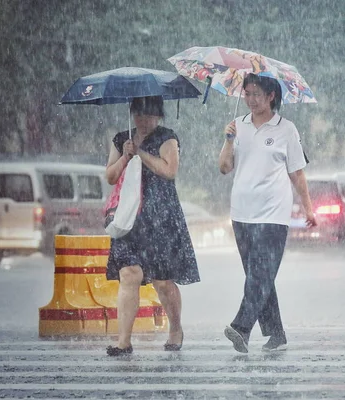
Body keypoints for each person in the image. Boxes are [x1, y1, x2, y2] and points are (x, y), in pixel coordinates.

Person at [218, 73, 316, 353]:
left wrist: (308, 207)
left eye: (256, 94)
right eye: (247, 94)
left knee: (260, 273)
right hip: (241, 213)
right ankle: (276, 334)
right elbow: (225, 168)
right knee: (258, 275)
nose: (250, 100)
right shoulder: (238, 126)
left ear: (271, 95)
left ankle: (241, 327)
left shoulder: (287, 129)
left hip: (273, 214)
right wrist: (228, 140)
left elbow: (297, 173)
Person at [104, 96, 200, 356]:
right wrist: (125, 155)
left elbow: (169, 171)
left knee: (163, 281)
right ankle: (123, 341)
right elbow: (111, 176)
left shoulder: (168, 138)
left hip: (161, 217)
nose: (143, 120)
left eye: (149, 115)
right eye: (138, 115)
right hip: (129, 218)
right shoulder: (121, 139)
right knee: (129, 274)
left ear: (158, 116)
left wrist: (141, 153)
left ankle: (176, 328)